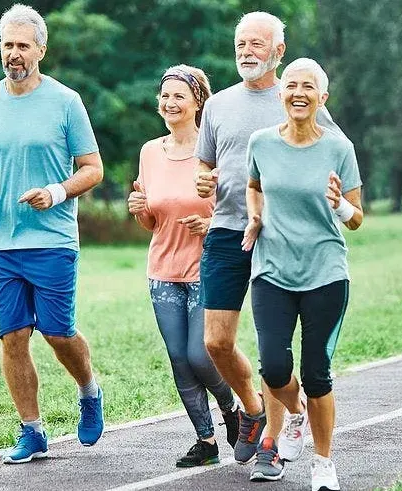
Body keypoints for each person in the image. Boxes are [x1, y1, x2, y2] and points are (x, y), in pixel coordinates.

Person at [194, 11, 347, 469]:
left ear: (278, 52)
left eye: (256, 44)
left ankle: (272, 447)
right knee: (216, 341)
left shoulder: (298, 97)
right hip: (226, 229)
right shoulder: (219, 104)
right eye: (240, 44)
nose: (246, 52)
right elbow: (204, 164)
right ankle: (258, 412)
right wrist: (204, 183)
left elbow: (333, 153)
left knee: (271, 347)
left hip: (280, 236)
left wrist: (332, 204)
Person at [0, 3, 105, 464]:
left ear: (41, 49)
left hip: (52, 239)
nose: (14, 54)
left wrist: (57, 192)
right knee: (13, 337)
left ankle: (89, 389)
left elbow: (93, 169)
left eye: (23, 45)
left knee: (58, 333)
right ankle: (32, 430)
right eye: (7, 45)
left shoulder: (66, 102)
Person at [241, 58, 362, 490]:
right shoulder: (261, 143)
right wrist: (255, 217)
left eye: (308, 87)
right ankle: (296, 415)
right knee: (274, 367)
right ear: (281, 94)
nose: (298, 93)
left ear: (321, 98)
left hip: (325, 272)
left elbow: (357, 218)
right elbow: (253, 186)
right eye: (291, 85)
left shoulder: (338, 148)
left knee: (316, 373)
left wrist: (339, 205)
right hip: (272, 269)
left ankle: (324, 462)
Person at [127, 65, 240, 468]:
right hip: (162, 271)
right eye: (165, 96)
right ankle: (206, 441)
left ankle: (231, 409)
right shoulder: (149, 152)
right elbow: (152, 221)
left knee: (200, 354)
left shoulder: (214, 153)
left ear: (198, 103)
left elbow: (235, 211)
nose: (169, 103)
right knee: (178, 358)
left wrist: (210, 225)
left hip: (206, 268)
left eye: (179, 96)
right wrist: (139, 210)